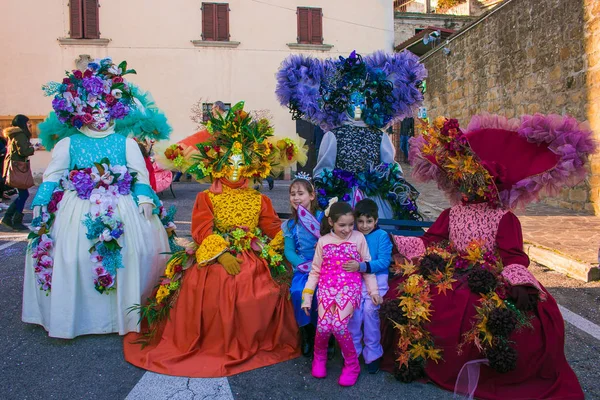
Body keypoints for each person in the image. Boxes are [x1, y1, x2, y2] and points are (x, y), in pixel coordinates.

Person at [380, 114, 591, 399]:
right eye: (465, 182)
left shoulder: (504, 218)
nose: (469, 188)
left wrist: (520, 283)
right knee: (414, 297)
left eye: (476, 182)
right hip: (450, 270)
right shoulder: (452, 213)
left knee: (510, 320)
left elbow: (514, 256)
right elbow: (431, 241)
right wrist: (394, 242)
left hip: (488, 274)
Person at [123, 101, 303, 377]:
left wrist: (288, 243)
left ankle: (250, 338)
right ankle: (214, 341)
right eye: (229, 162)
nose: (234, 168)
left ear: (250, 167)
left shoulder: (260, 199)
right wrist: (221, 253)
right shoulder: (206, 197)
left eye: (240, 163)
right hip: (215, 253)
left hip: (253, 253)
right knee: (216, 282)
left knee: (259, 284)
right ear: (218, 164)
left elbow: (273, 229)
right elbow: (201, 231)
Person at [21, 58, 171, 339]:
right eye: (94, 110)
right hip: (77, 208)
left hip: (123, 207)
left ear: (115, 112)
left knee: (129, 256)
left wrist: (145, 200)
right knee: (74, 256)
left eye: (106, 110)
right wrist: (41, 201)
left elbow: (139, 175)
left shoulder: (126, 143)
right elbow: (53, 175)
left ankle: (123, 317)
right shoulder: (69, 142)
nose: (101, 116)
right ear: (82, 112)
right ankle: (78, 318)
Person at [276, 50, 424, 220]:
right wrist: (330, 187)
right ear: (344, 104)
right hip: (342, 202)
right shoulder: (333, 136)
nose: (357, 106)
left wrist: (390, 180)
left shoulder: (379, 136)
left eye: (361, 102)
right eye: (353, 102)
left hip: (374, 202)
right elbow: (324, 169)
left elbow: (389, 165)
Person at [302, 201, 382, 387]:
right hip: (327, 289)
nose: (347, 230)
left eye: (350, 225)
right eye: (342, 225)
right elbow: (315, 272)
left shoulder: (358, 239)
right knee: (323, 326)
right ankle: (319, 358)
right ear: (331, 222)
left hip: (349, 288)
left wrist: (374, 291)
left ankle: (352, 365)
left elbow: (367, 268)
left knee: (338, 325)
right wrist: (307, 297)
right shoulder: (323, 242)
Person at [347, 198, 392, 374]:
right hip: (356, 281)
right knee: (355, 312)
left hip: (377, 279)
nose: (364, 225)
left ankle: (373, 353)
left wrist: (363, 266)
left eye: (369, 221)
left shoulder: (382, 236)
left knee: (370, 311)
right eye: (360, 221)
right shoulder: (353, 236)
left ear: (376, 220)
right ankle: (352, 352)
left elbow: (384, 261)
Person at [282, 173, 322, 357]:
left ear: (312, 195)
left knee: (322, 294)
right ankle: (307, 335)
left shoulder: (323, 218)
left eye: (300, 193)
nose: (296, 198)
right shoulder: (290, 225)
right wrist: (303, 265)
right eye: (292, 194)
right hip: (303, 268)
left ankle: (325, 337)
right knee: (298, 292)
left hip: (325, 268)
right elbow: (289, 251)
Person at [1, 115, 36, 230]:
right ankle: (15, 220)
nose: (29, 125)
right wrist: (33, 148)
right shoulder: (20, 134)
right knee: (24, 194)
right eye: (27, 123)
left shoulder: (13, 134)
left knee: (23, 194)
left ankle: (8, 218)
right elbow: (23, 151)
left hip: (15, 167)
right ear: (22, 123)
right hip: (19, 168)